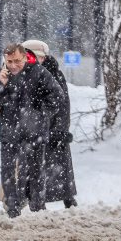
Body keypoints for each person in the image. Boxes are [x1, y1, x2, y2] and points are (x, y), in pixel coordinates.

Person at [0, 43, 65, 218]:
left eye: (17, 61)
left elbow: (57, 96)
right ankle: (12, 208)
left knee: (36, 170)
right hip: (9, 132)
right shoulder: (1, 75)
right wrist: (0, 84)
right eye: (10, 61)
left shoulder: (39, 73)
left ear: (25, 57)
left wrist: (40, 113)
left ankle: (37, 207)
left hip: (35, 132)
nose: (13, 65)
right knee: (8, 170)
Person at [22, 40, 77, 209]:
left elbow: (63, 105)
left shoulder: (53, 74)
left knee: (57, 166)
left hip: (52, 127)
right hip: (35, 128)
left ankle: (66, 199)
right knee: (38, 167)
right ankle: (38, 200)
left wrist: (60, 128)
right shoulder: (26, 73)